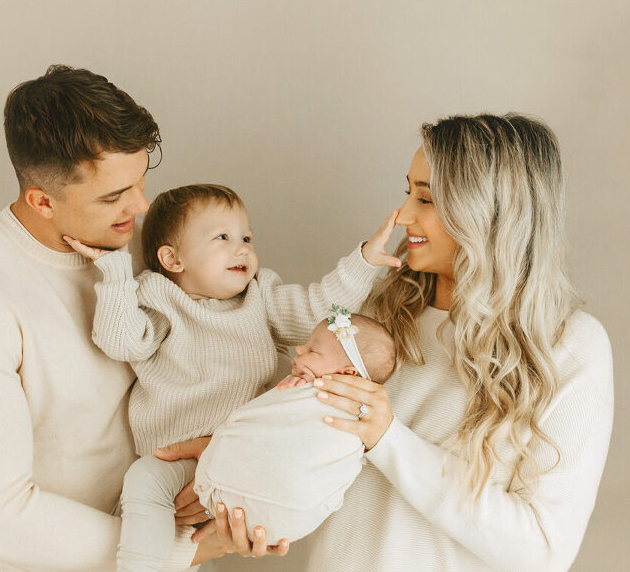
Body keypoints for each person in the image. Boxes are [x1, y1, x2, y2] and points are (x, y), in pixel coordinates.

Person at [0, 65, 273, 572]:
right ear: (41, 200)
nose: (142, 207)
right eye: (113, 197)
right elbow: (0, 517)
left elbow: (194, 374)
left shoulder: (124, 251)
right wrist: (183, 550)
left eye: (140, 184)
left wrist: (231, 465)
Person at [281, 114, 614, 572]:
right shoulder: (372, 317)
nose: (403, 215)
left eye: (427, 198)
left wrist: (388, 439)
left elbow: (542, 550)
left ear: (491, 213)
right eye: (408, 191)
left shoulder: (568, 347)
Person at [63, 182, 401, 571]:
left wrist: (365, 261)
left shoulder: (260, 297)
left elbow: (321, 311)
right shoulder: (157, 298)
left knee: (193, 516)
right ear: (172, 259)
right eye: (223, 237)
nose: (242, 248)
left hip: (251, 457)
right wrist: (116, 270)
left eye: (246, 237)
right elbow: (121, 342)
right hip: (180, 459)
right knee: (147, 493)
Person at [195, 309, 398, 546]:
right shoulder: (302, 389)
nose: (299, 349)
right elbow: (275, 422)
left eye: (312, 350)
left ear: (346, 373)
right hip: (287, 525)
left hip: (218, 486)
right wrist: (291, 388)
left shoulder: (357, 417)